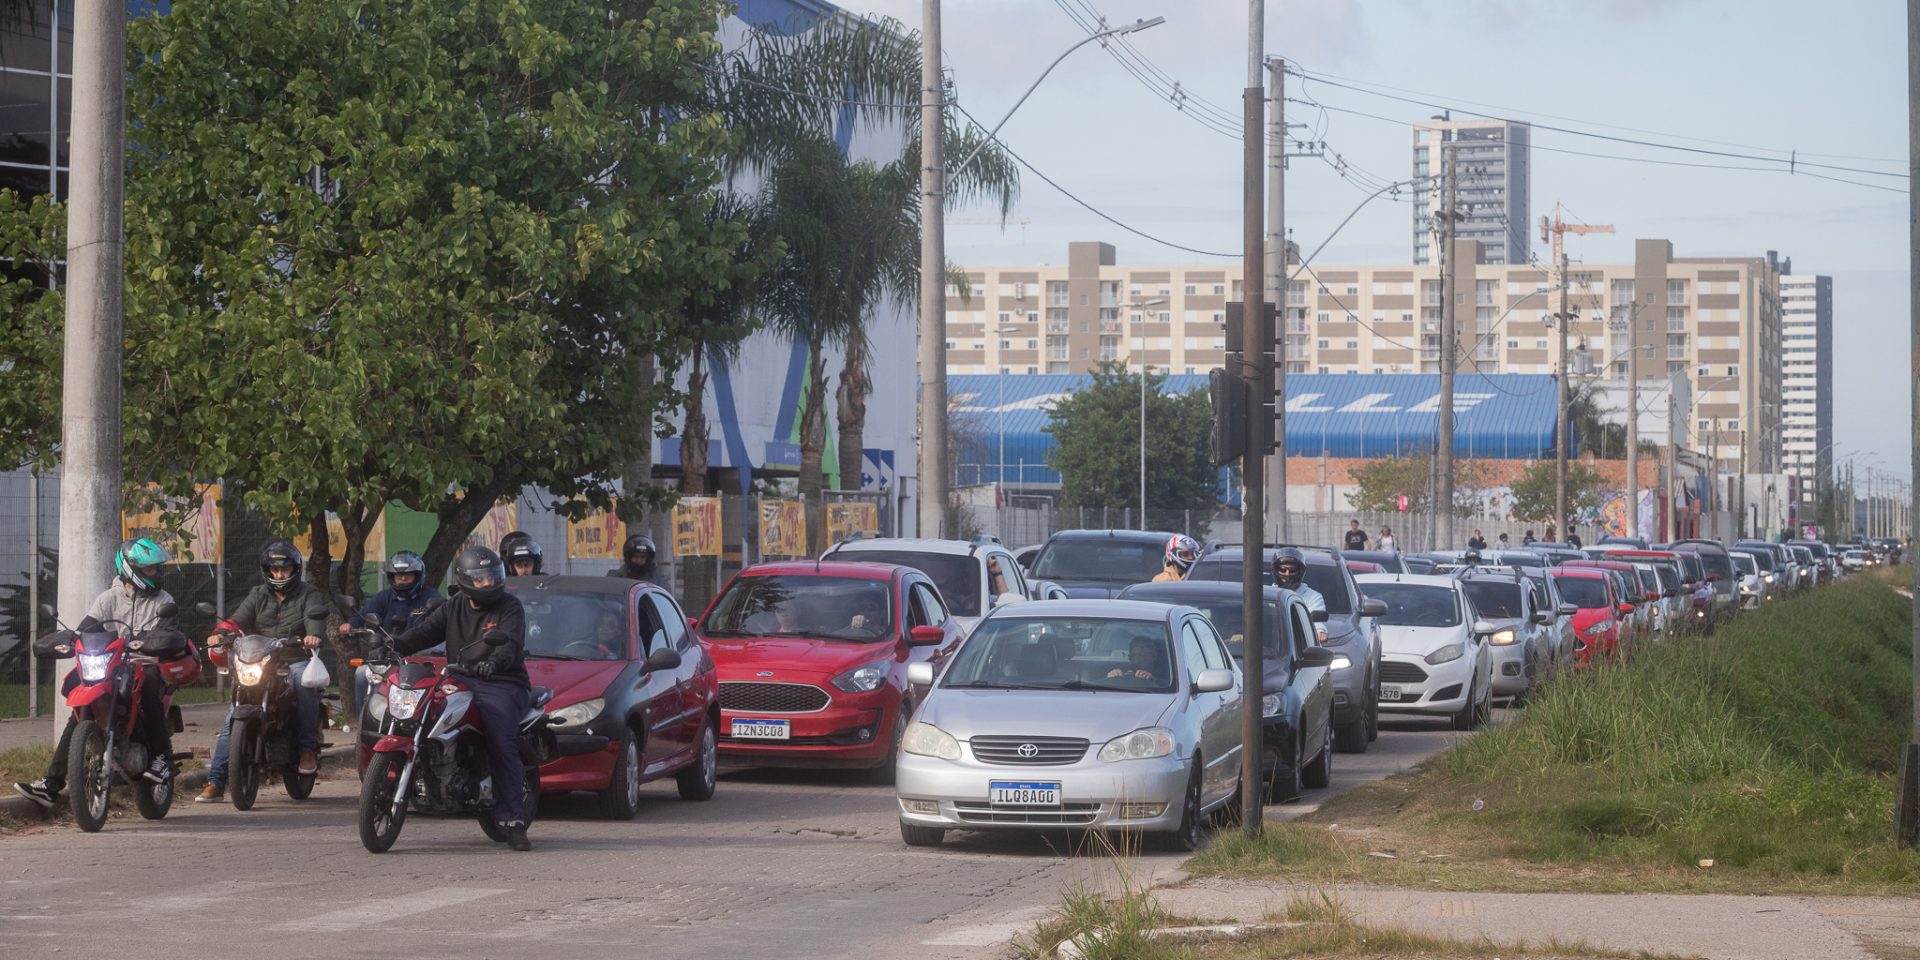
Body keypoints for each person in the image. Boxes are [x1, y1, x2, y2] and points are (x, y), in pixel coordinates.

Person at [15, 539, 182, 807]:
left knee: (149, 685)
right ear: (130, 569)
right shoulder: (108, 599)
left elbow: (169, 633)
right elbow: (86, 629)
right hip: (112, 664)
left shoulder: (164, 601)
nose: (155, 574)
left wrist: (148, 641)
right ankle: (51, 784)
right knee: (78, 711)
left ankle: (161, 759)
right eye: (149, 569)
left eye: (155, 568)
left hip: (145, 662)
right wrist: (69, 639)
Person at [390, 546, 533, 851]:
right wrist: (395, 646)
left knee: (501, 742)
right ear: (466, 579)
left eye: (492, 577)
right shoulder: (454, 606)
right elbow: (424, 632)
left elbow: (509, 644)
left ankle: (514, 820)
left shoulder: (510, 607)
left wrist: (494, 662)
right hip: (460, 677)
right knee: (423, 711)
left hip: (502, 682)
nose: (488, 583)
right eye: (480, 578)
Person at [197, 540, 328, 803]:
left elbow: (315, 618)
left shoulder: (308, 594)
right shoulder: (258, 594)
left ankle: (306, 750)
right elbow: (237, 620)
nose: (279, 575)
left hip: (293, 659)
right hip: (260, 660)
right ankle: (216, 781)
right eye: (274, 569)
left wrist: (312, 636)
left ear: (295, 570)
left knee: (303, 686)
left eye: (284, 569)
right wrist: (221, 633)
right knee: (233, 713)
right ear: (267, 570)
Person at [338, 551, 441, 721]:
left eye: (407, 575)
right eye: (398, 576)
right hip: (389, 655)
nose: (402, 579)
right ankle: (364, 721)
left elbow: (437, 621)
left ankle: (425, 719)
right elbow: (364, 614)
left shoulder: (431, 597)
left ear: (418, 575)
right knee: (362, 673)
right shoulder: (384, 597)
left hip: (421, 656)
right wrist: (350, 624)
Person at [1272, 547, 1328, 643]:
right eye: (1283, 569)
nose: (1287, 574)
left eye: (1292, 570)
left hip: (1298, 644)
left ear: (1300, 572)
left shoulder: (1313, 597)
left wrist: (1319, 631)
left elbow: (1317, 623)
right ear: (1276, 570)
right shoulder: (1265, 595)